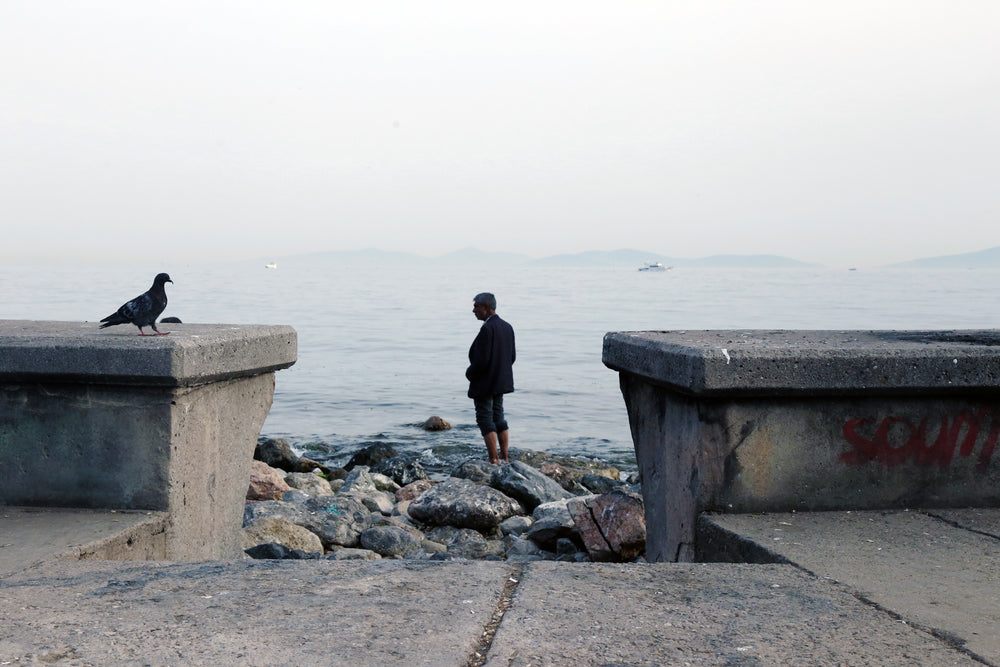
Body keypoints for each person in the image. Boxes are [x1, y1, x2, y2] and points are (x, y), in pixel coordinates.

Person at [466, 292, 516, 464]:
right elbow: (512, 357)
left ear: (486, 307)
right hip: (500, 381)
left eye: (476, 306)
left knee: (485, 419)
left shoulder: (487, 329)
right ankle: (505, 457)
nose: (473, 310)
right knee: (498, 417)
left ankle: (493, 459)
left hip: (485, 383)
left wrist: (469, 373)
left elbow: (481, 361)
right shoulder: (507, 327)